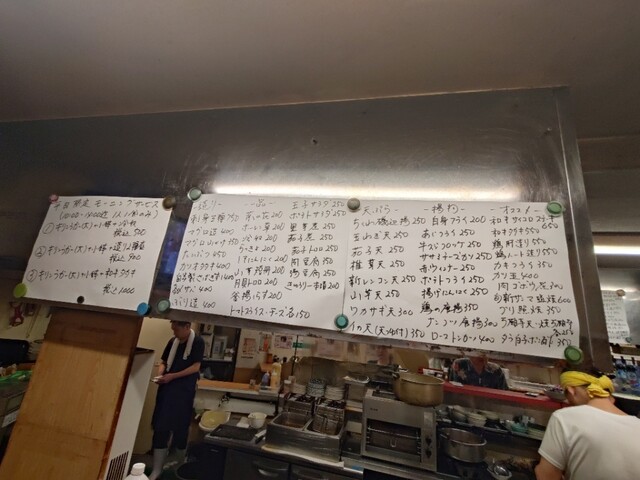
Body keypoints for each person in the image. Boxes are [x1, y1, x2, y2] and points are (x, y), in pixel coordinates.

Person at [535, 370, 640, 480]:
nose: (568, 402)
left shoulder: (563, 417)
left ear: (571, 390)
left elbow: (546, 476)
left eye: (567, 397)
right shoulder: (637, 425)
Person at [149, 320, 205, 480]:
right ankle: (157, 469)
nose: (174, 332)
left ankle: (179, 466)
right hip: (167, 390)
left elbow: (195, 367)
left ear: (187, 327)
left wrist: (173, 376)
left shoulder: (198, 342)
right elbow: (164, 361)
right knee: (160, 428)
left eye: (176, 329)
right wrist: (161, 373)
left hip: (183, 391)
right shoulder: (172, 341)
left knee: (181, 429)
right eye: (173, 329)